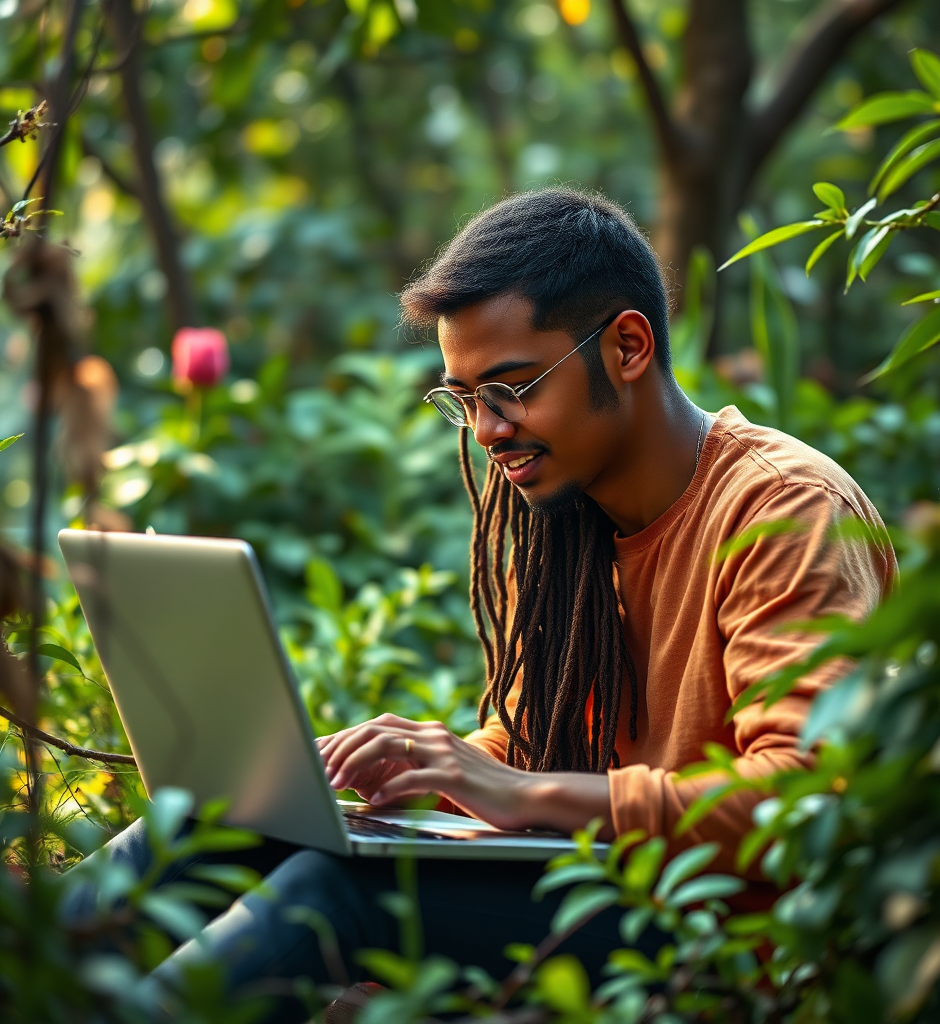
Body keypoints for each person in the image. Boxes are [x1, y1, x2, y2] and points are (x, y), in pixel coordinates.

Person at [63, 188, 896, 1022]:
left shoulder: (783, 509)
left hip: (724, 947)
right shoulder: (575, 522)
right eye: (463, 400)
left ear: (628, 347)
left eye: (511, 388)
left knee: (334, 889)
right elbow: (533, 746)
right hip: (604, 898)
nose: (489, 430)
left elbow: (808, 794)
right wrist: (429, 771)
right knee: (226, 830)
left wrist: (518, 793)